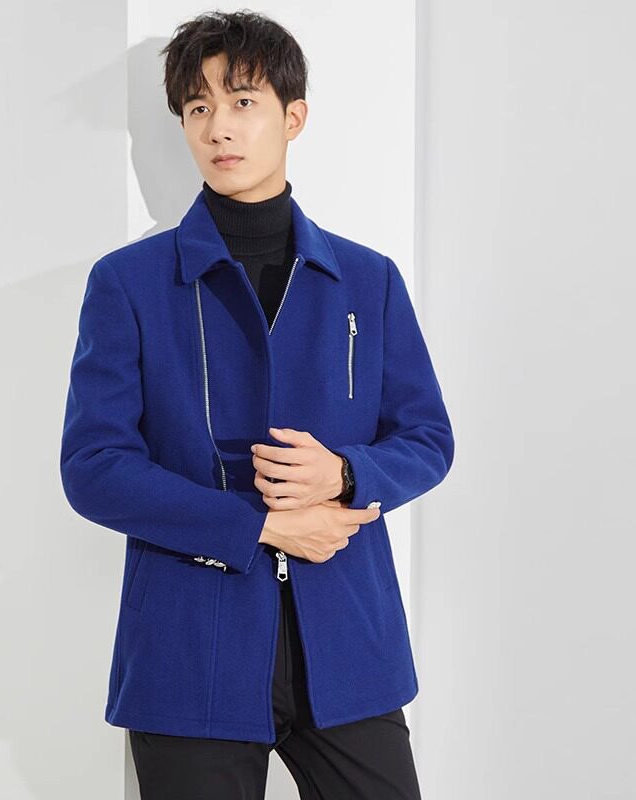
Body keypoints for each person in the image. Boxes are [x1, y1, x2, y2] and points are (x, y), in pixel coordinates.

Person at [60, 10, 454, 799]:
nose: (219, 127)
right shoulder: (128, 284)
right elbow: (94, 467)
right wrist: (260, 524)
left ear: (292, 117)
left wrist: (345, 473)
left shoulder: (368, 280)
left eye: (242, 101)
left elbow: (427, 438)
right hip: (189, 651)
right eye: (198, 107)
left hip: (347, 644)